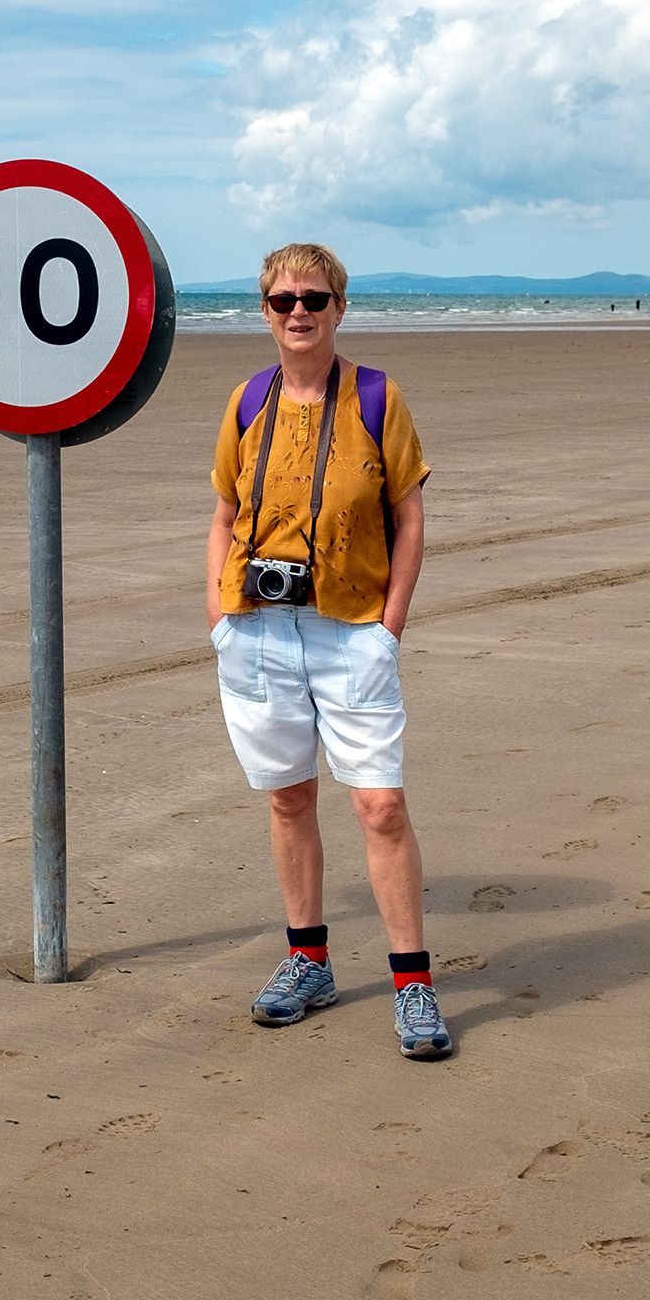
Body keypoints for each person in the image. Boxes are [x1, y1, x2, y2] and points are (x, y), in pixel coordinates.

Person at [205, 243, 451, 1059]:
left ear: (341, 308)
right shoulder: (248, 401)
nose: (299, 312)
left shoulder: (378, 397)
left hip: (351, 631)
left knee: (380, 806)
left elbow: (409, 517)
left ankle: (412, 982)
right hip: (258, 629)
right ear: (265, 311)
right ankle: (307, 962)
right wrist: (219, 615)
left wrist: (389, 627)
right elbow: (223, 514)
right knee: (288, 799)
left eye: (314, 298)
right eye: (283, 300)